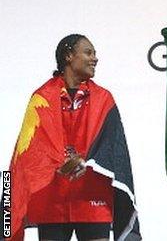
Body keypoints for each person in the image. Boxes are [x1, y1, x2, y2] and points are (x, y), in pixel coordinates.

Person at [7, 34, 141, 240]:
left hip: (93, 198)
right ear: (69, 55)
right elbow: (29, 152)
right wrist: (56, 163)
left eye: (95, 53)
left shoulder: (104, 98)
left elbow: (114, 149)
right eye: (88, 52)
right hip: (53, 199)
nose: (95, 58)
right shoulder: (41, 97)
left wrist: (88, 161)